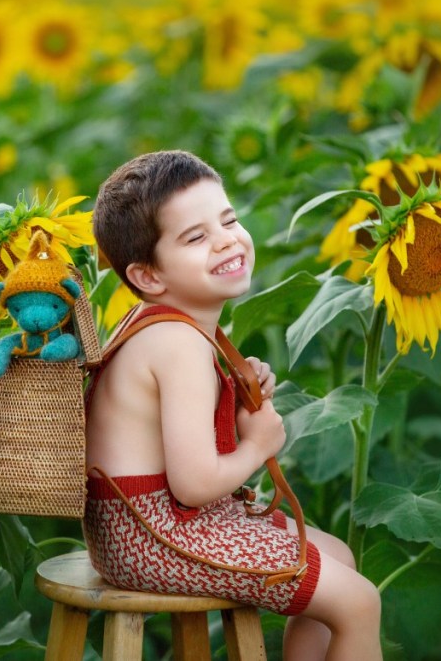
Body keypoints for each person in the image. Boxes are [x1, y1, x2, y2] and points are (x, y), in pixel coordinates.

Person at [82, 150, 382, 660]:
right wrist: (259, 443)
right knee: (358, 602)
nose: (226, 239)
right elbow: (195, 484)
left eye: (229, 219)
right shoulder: (181, 345)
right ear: (149, 276)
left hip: (132, 530)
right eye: (196, 237)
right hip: (156, 538)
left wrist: (233, 388)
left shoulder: (159, 324)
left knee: (341, 558)